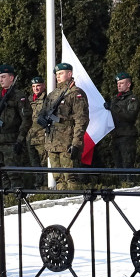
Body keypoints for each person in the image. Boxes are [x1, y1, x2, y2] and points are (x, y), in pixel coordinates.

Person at [39, 62, 89, 190]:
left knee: (70, 178)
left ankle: (75, 202)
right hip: (52, 141)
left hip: (68, 141)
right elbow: (43, 113)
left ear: (70, 74)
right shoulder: (53, 94)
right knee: (58, 178)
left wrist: (76, 143)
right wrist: (42, 119)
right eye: (57, 74)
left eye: (61, 73)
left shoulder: (76, 93)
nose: (58, 76)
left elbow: (81, 120)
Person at [0, 64, 32, 189]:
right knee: (0, 175)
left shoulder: (19, 96)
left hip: (12, 142)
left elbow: (26, 120)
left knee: (14, 175)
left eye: (3, 77)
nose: (1, 80)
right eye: (0, 77)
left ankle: (16, 203)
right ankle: (5, 203)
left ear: (11, 78)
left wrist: (20, 140)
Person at [104, 71, 139, 170]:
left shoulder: (132, 99)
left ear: (128, 84)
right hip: (116, 136)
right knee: (118, 165)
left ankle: (129, 184)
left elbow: (130, 115)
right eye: (118, 84)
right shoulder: (116, 99)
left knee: (127, 165)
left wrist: (113, 108)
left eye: (121, 83)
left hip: (127, 136)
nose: (119, 86)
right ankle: (121, 183)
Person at [26, 76, 47, 168]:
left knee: (44, 164)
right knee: (34, 165)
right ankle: (38, 182)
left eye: (38, 86)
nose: (36, 88)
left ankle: (46, 183)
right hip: (30, 137)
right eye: (34, 86)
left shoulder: (47, 99)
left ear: (43, 86)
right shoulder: (29, 100)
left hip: (42, 137)